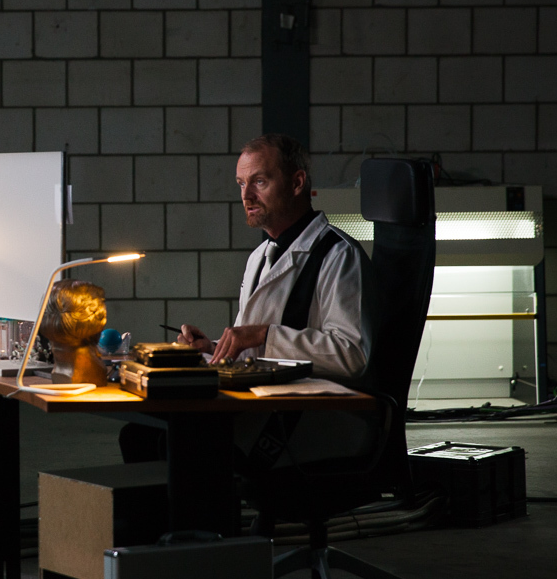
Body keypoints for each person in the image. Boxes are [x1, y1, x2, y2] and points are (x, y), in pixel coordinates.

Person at [121, 134, 377, 466]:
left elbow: (352, 355)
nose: (246, 195)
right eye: (241, 184)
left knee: (169, 443)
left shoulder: (340, 255)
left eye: (259, 181)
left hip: (309, 422)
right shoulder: (261, 256)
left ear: (297, 183)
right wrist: (214, 348)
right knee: (139, 434)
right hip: (263, 406)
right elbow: (254, 351)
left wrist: (262, 335)